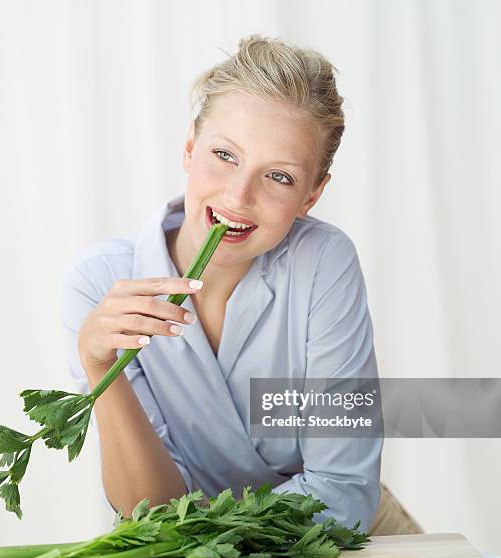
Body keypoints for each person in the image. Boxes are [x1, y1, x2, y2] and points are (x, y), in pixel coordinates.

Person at [60, 34, 383, 531]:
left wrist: (195, 527)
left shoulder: (324, 263)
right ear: (190, 147)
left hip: (332, 550)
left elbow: (341, 492)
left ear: (312, 196)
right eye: (225, 155)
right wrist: (99, 367)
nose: (238, 195)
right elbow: (145, 511)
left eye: (279, 177)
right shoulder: (100, 281)